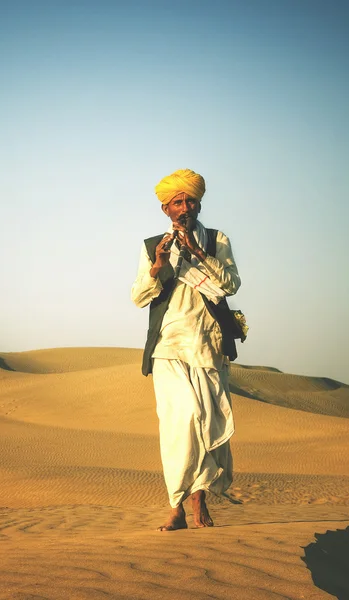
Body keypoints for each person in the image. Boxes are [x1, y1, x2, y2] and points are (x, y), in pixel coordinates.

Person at [131, 168, 241, 531]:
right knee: (182, 422)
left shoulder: (215, 240)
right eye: (176, 202)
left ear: (198, 202)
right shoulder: (152, 247)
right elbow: (138, 297)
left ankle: (200, 503)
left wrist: (197, 253)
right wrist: (158, 268)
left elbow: (230, 285)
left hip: (207, 346)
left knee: (205, 425)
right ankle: (177, 507)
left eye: (189, 200)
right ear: (166, 209)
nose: (184, 206)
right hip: (168, 347)